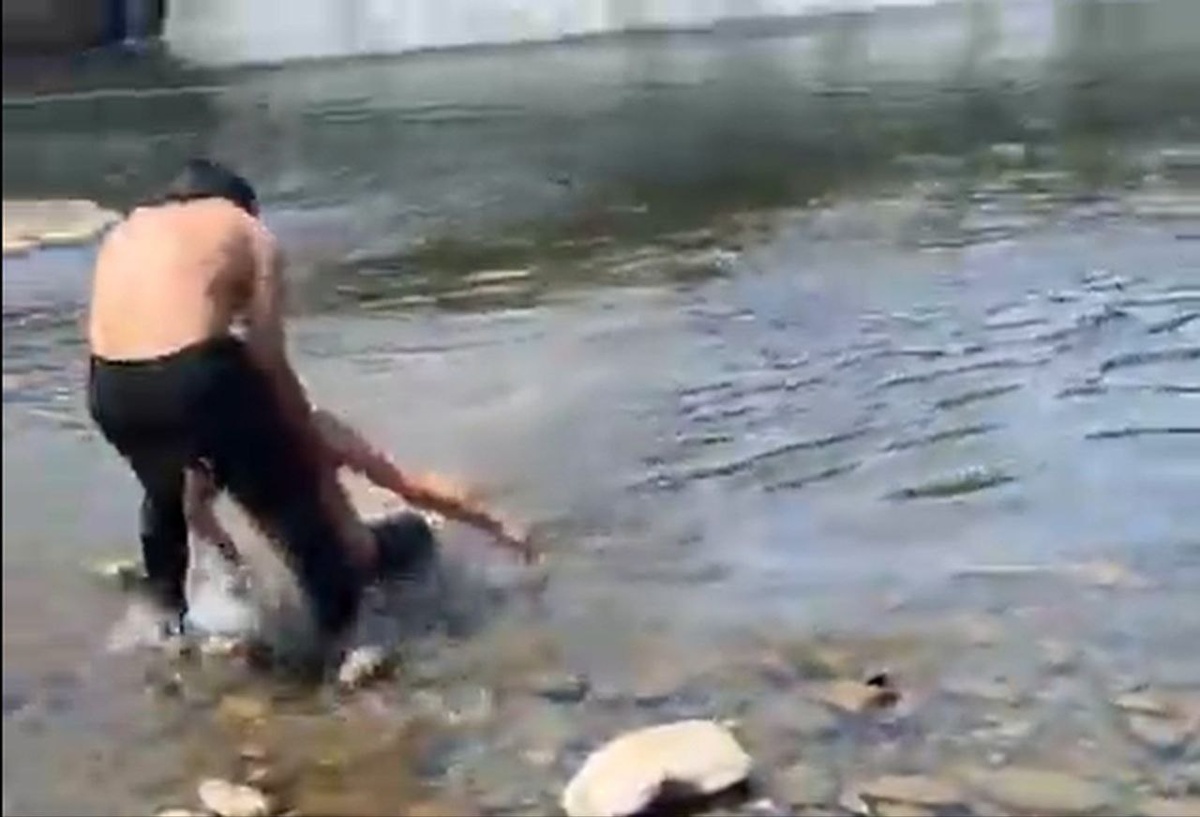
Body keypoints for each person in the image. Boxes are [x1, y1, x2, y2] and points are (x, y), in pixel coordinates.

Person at [85, 158, 484, 647]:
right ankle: (349, 642)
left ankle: (162, 621)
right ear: (244, 204)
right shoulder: (248, 230)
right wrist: (296, 427)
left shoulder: (129, 230)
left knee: (164, 496)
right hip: (198, 379)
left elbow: (131, 331)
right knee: (297, 513)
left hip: (110, 388)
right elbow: (267, 354)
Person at [185, 405, 538, 568]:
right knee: (418, 523)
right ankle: (471, 517)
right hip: (359, 560)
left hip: (291, 566)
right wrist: (495, 525)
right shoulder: (317, 428)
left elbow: (194, 511)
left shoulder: (215, 448)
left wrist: (234, 562)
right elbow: (411, 489)